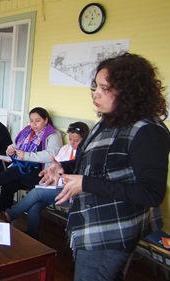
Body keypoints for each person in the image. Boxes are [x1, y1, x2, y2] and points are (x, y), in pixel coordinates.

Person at [39, 53, 169, 280]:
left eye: (104, 88)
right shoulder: (109, 119)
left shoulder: (148, 131)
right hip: (89, 222)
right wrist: (64, 166)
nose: (95, 94)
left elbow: (151, 193)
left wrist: (86, 183)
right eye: (95, 86)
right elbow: (94, 164)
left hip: (112, 231)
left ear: (130, 91)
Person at [1, 121, 90, 239]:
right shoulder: (65, 149)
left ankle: (10, 215)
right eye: (70, 139)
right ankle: (32, 237)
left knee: (37, 192)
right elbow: (55, 165)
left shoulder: (88, 154)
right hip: (56, 187)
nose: (72, 143)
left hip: (72, 193)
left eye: (77, 141)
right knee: (35, 205)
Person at [0, 107, 62, 212]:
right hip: (23, 172)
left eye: (37, 121)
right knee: (7, 185)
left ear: (45, 120)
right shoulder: (27, 132)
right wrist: (10, 150)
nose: (34, 124)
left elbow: (51, 155)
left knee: (16, 170)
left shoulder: (53, 135)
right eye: (31, 121)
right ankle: (5, 214)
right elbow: (14, 145)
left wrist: (26, 155)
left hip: (40, 174)